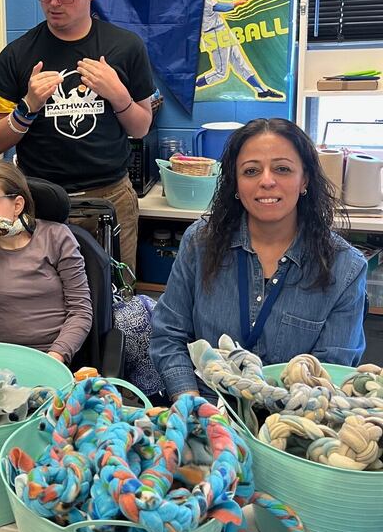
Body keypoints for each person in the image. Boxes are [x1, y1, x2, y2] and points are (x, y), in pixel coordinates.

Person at [150, 118, 367, 400]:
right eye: (251, 171)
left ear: (305, 180)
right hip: (205, 408)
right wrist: (190, 403)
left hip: (292, 422)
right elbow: (169, 335)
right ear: (236, 186)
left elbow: (328, 375)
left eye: (282, 169)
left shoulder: (345, 268)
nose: (267, 181)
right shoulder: (200, 242)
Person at [0, 0, 155, 278]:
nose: (52, 2)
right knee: (41, 301)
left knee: (117, 301)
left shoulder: (125, 47)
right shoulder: (18, 54)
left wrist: (118, 95)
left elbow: (141, 127)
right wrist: (27, 107)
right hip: (40, 199)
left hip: (110, 197)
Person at [0, 159, 93, 364]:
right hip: (1, 362)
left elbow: (80, 310)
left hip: (56, 356)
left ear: (17, 205)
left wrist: (54, 358)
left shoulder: (55, 236)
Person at [195, 0, 284, 99]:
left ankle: (262, 90)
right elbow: (221, 7)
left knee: (241, 65)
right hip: (214, 35)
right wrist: (237, 2)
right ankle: (192, 86)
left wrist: (237, 3)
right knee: (220, 72)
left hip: (222, 31)